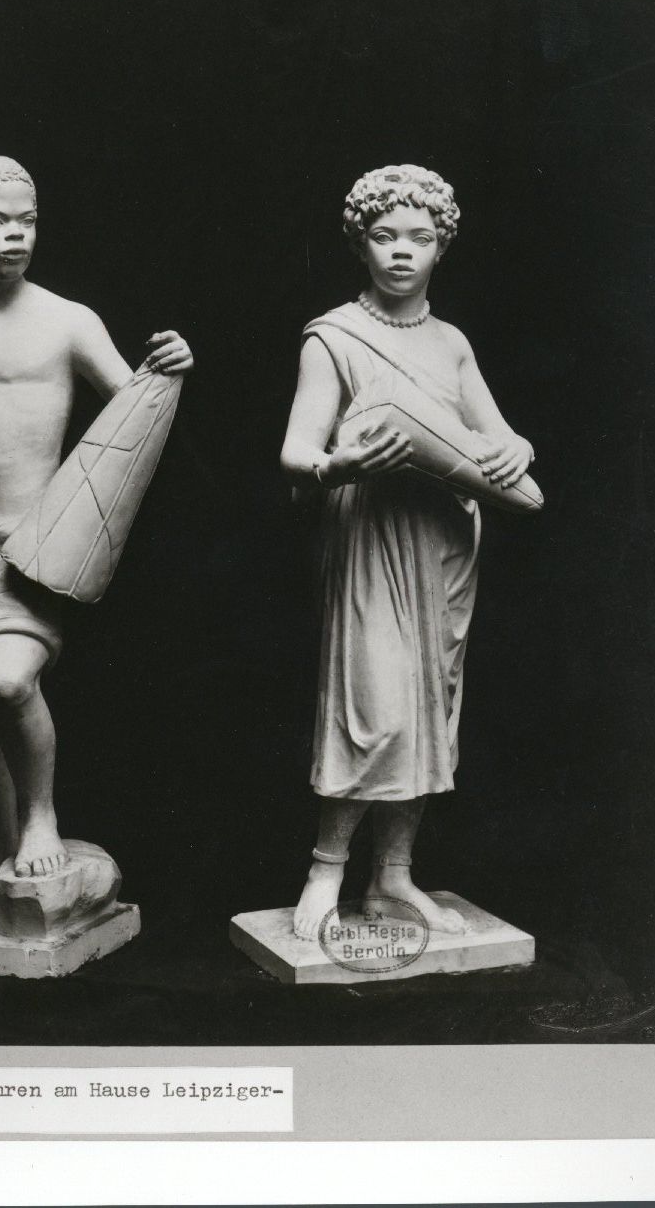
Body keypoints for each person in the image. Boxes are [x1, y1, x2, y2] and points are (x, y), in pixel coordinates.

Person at [0, 155, 193, 905]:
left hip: (26, 547)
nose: (17, 234)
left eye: (28, 220)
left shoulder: (67, 321)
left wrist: (169, 367)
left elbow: (135, 409)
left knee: (8, 678)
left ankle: (41, 819)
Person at [281, 164, 533, 939]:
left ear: (441, 247)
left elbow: (499, 438)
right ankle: (326, 869)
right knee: (375, 709)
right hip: (369, 535)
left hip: (442, 542)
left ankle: (392, 878)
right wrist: (340, 465)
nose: (401, 251)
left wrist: (519, 448)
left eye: (419, 238)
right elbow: (296, 451)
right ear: (360, 243)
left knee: (426, 712)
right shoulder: (333, 336)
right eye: (384, 236)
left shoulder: (451, 344)